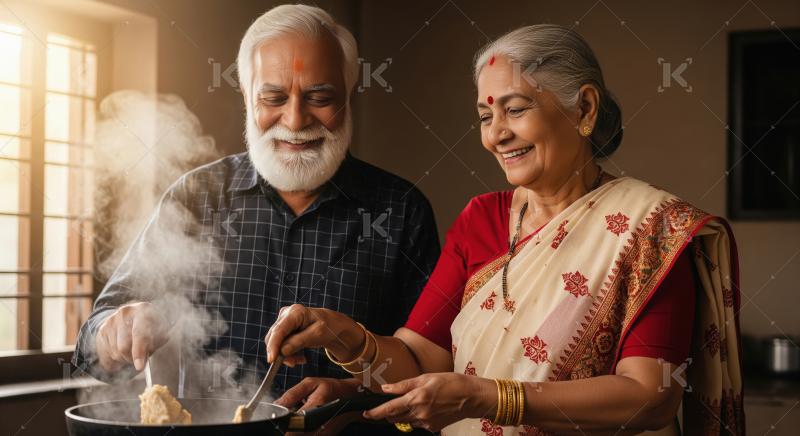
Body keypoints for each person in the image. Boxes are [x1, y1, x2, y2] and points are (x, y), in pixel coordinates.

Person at [267, 24, 744, 435]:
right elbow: (418, 359)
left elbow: (650, 395)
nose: (495, 134)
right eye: (484, 116)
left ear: (584, 110)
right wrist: (342, 335)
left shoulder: (652, 228)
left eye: (515, 110)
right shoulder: (482, 218)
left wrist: (489, 398)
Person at [72, 3, 439, 419]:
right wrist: (114, 330)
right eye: (274, 98)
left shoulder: (401, 209)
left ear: (350, 95)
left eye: (320, 97)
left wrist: (352, 391)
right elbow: (90, 347)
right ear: (247, 96)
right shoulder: (198, 196)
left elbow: (431, 368)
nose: (296, 119)